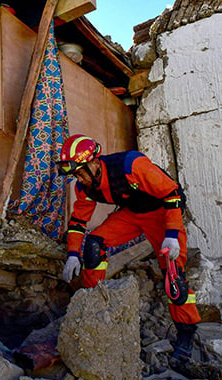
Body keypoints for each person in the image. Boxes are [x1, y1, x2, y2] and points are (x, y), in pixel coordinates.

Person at [57, 134, 201, 361]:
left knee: (174, 277)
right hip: (132, 215)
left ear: (94, 162)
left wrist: (172, 234)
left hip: (162, 213)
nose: (79, 179)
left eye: (80, 172)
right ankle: (93, 307)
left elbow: (172, 193)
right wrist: (73, 255)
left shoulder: (130, 165)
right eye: (74, 175)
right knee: (94, 245)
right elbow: (77, 223)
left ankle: (186, 332)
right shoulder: (84, 187)